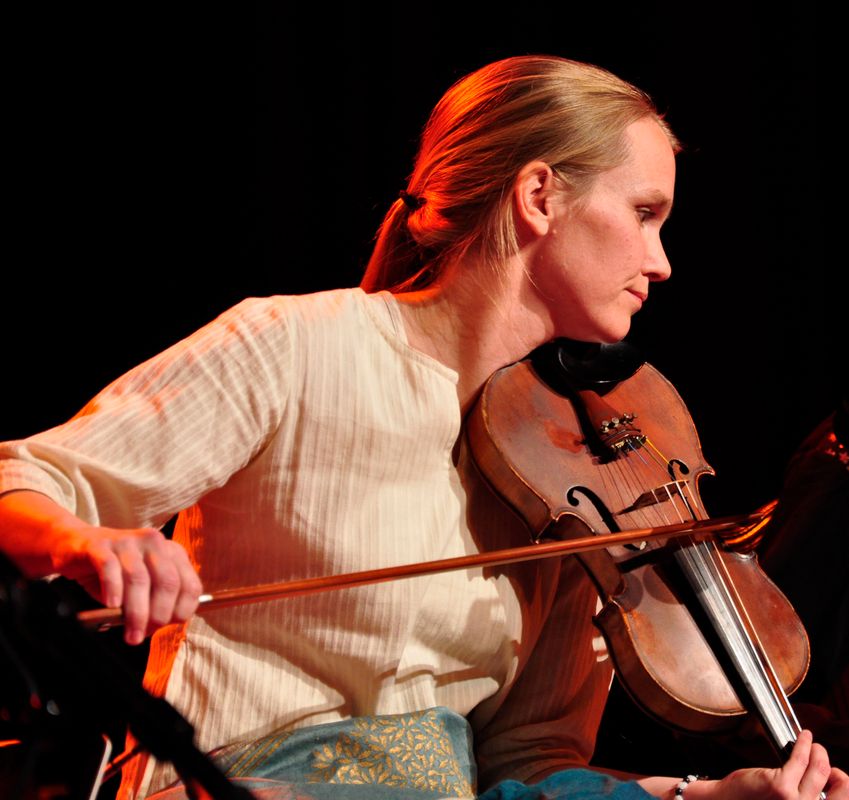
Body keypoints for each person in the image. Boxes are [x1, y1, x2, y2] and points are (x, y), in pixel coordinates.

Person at [0, 55, 846, 800]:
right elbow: (22, 480)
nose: (660, 263)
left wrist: (699, 796)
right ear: (539, 197)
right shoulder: (296, 347)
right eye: (643, 212)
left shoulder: (575, 481)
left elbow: (529, 766)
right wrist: (91, 543)